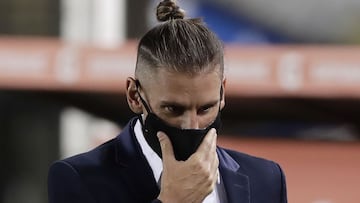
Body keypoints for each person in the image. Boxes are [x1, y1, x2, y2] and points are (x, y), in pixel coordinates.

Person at [48, 0, 287, 202]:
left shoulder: (266, 180)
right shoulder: (79, 179)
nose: (192, 125)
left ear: (222, 93)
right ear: (134, 96)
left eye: (205, 108)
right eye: (173, 109)